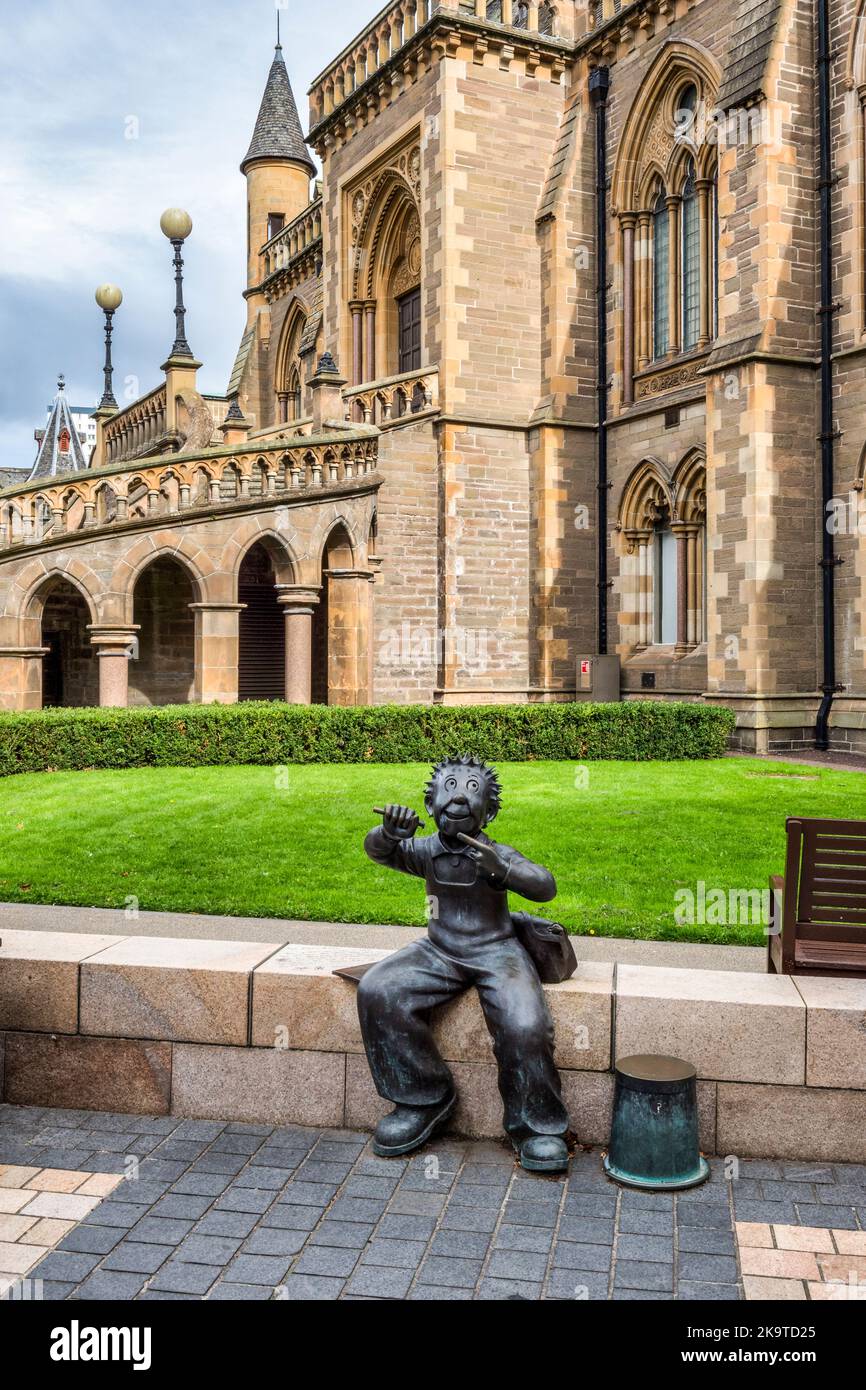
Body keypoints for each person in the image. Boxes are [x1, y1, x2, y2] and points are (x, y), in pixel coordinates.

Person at [357, 755, 570, 1173]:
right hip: (440, 951)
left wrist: (503, 870)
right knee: (379, 989)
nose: (459, 795)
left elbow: (545, 887)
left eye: (472, 789)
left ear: (488, 811)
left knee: (525, 1025)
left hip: (497, 952)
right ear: (431, 805)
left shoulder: (496, 853)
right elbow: (377, 853)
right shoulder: (424, 852)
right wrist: (386, 833)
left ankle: (537, 1126)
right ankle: (423, 1099)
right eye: (450, 786)